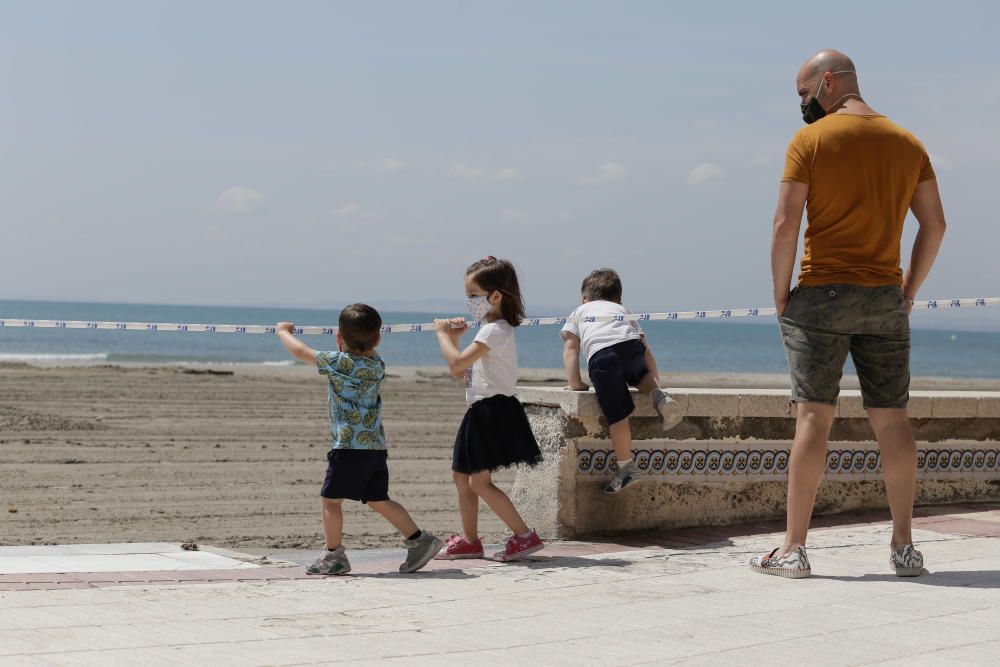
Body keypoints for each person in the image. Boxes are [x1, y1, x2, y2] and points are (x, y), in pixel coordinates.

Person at [751, 50, 947, 579]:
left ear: (828, 82)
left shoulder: (810, 142)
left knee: (814, 419)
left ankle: (793, 549)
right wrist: (906, 291)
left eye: (803, 93)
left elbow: (784, 223)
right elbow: (935, 226)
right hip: (884, 296)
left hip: (821, 293)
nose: (802, 104)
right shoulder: (908, 143)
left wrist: (780, 294)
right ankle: (905, 549)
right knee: (893, 421)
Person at [275, 304, 442, 575]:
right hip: (375, 446)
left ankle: (334, 556)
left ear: (339, 338)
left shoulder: (338, 362)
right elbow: (367, 344)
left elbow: (300, 351)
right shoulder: (377, 365)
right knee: (378, 499)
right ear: (377, 340)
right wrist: (361, 338)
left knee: (331, 501)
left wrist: (283, 331)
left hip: (348, 446)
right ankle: (419, 540)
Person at [432, 256, 545, 562]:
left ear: (495, 296)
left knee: (479, 482)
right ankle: (470, 540)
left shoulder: (493, 330)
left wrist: (443, 336)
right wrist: (455, 338)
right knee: (461, 475)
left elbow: (456, 367)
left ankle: (524, 536)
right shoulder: (491, 328)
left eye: (473, 296)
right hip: (481, 409)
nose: (469, 302)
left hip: (492, 409)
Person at [560, 268, 683, 494]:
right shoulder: (623, 310)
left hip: (602, 356)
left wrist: (575, 382)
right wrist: (656, 382)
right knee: (639, 375)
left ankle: (627, 468)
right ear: (618, 298)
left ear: (584, 298)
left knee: (617, 415)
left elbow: (571, 348)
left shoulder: (579, 311)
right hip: (630, 345)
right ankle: (659, 398)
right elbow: (645, 350)